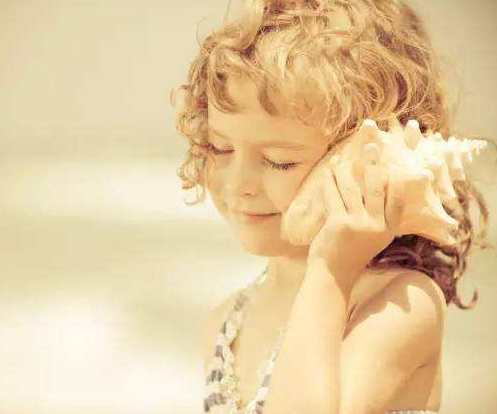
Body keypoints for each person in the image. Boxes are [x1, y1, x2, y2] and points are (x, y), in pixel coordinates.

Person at [170, 1, 492, 413]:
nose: (238, 184)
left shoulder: (402, 305)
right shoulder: (227, 322)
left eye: (279, 160)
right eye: (220, 148)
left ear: (366, 157)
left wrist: (329, 272)